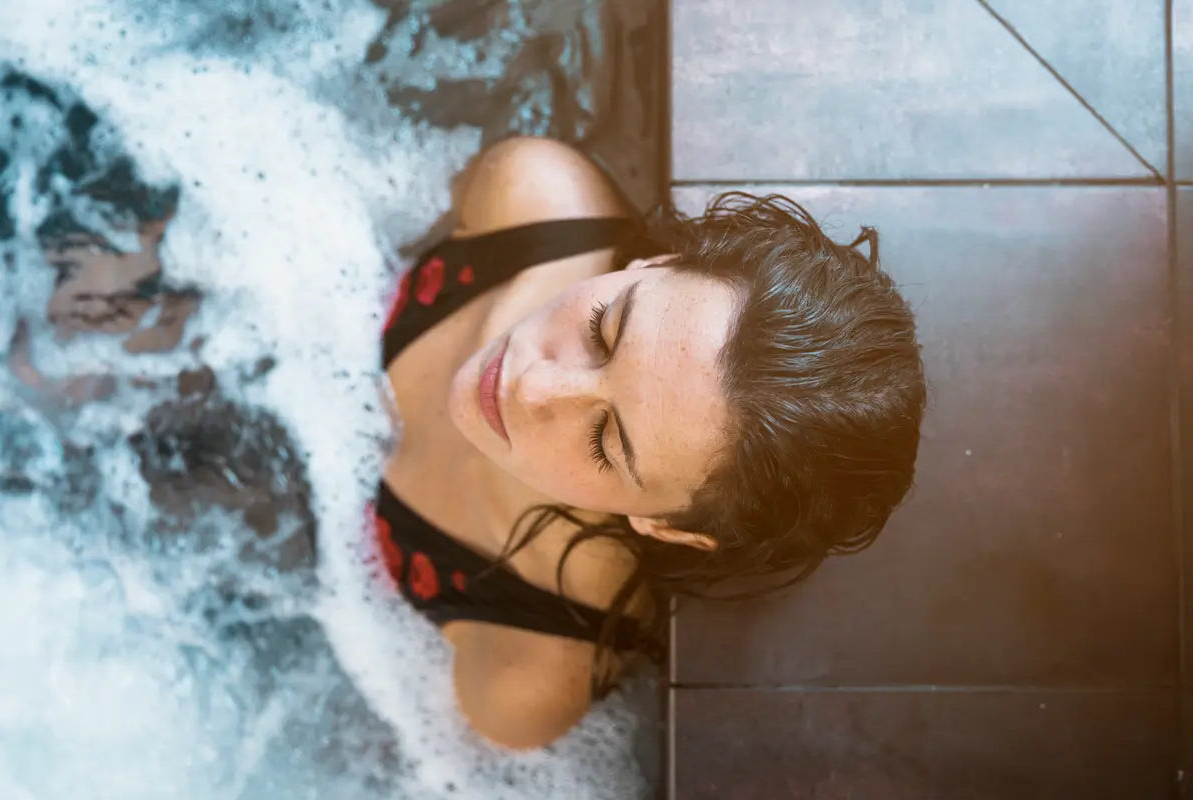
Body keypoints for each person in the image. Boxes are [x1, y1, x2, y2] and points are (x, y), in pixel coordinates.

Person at [376, 136, 927, 749]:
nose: (531, 385)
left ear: (665, 525)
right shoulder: (532, 192)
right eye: (605, 328)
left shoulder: (527, 669)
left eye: (606, 442)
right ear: (657, 266)